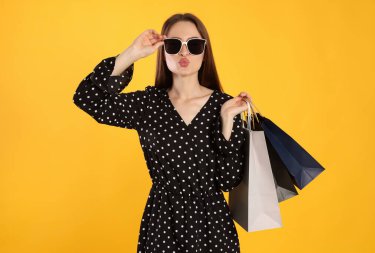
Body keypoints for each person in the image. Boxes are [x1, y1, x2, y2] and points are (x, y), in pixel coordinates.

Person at [73, 12, 252, 253]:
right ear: (163, 49)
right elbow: (87, 98)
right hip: (162, 224)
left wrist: (227, 120)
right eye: (174, 44)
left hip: (213, 227)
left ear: (205, 50)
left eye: (194, 45)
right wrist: (133, 53)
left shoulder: (225, 106)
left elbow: (228, 181)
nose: (184, 52)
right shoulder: (149, 104)